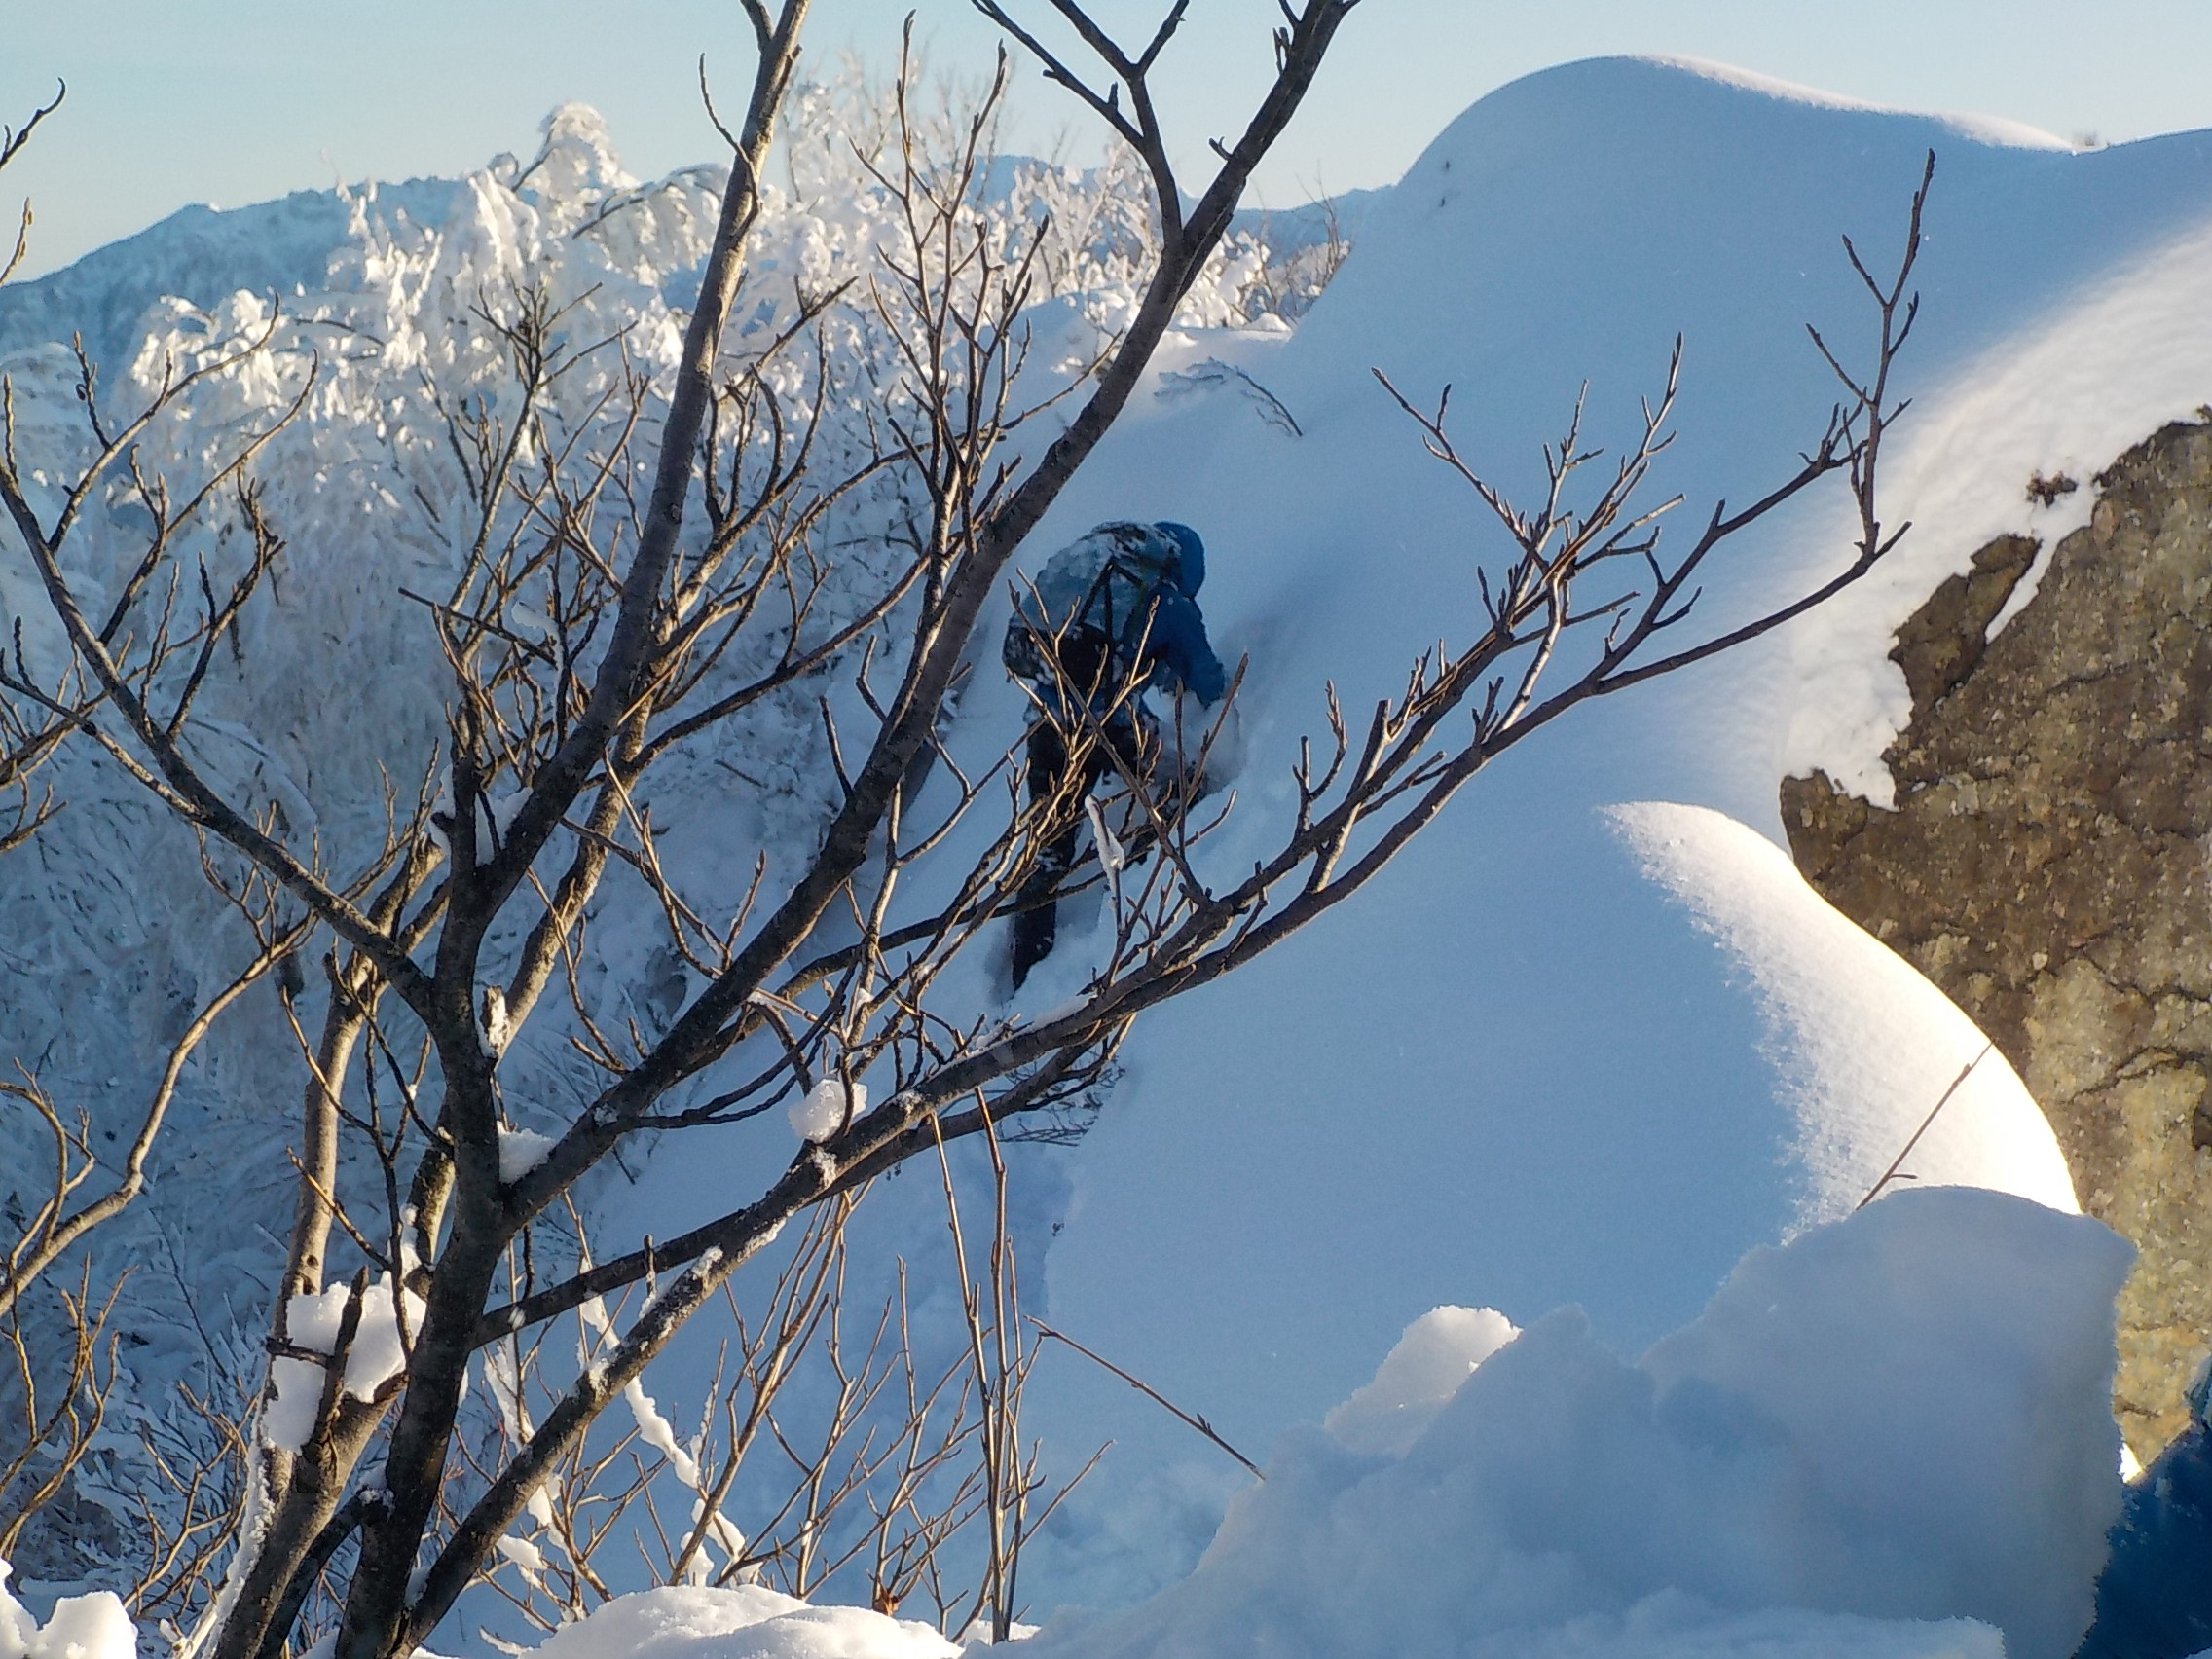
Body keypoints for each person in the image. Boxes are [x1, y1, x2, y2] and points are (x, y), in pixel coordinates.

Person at [1000, 520, 1227, 988]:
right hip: (1114, 728)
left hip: (1048, 724)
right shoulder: (1168, 602)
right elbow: (1205, 676)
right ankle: (1136, 887)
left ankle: (1023, 974)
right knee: (1192, 785)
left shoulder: (1096, 592)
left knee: (1047, 850)